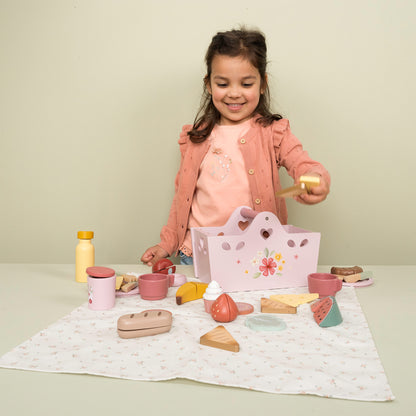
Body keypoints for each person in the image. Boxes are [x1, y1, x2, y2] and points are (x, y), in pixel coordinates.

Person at [141, 28, 330, 267]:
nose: (234, 93)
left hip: (260, 254)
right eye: (222, 83)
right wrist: (166, 244)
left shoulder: (274, 133)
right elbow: (182, 199)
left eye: (246, 83)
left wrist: (314, 178)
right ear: (208, 85)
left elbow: (302, 163)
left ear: (263, 84)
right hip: (199, 254)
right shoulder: (196, 137)